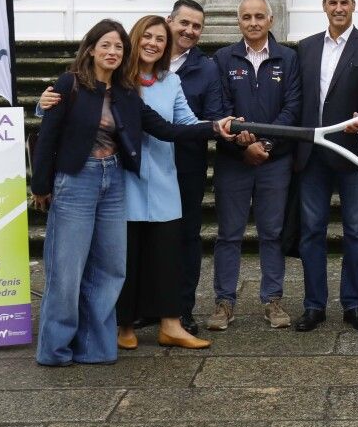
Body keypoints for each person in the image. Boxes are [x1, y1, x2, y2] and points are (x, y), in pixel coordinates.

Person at [29, 19, 219, 366]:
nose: (113, 52)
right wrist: (40, 185)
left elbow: (166, 128)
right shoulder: (70, 84)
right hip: (76, 180)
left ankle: (96, 348)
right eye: (106, 45)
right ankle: (55, 350)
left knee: (111, 268)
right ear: (91, 49)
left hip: (114, 179)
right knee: (67, 270)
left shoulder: (125, 92)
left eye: (118, 47)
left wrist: (218, 128)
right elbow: (49, 136)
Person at [293, 0, 358, 333]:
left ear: (353, 5)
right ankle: (314, 305)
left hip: (352, 155)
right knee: (312, 231)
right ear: (324, 6)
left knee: (357, 232)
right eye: (333, 2)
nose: (339, 8)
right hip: (312, 156)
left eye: (344, 2)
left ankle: (353, 304)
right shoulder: (305, 47)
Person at [208, 0, 301, 331]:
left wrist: (267, 144)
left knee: (272, 233)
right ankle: (224, 302)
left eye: (259, 16)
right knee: (229, 234)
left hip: (275, 161)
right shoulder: (221, 59)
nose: (253, 22)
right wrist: (240, 145)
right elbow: (218, 108)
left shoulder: (289, 58)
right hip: (234, 161)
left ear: (271, 21)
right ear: (239, 22)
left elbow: (293, 107)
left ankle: (272, 300)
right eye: (246, 17)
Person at [165, 0, 224, 335]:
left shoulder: (207, 67)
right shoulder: (144, 57)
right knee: (147, 237)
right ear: (169, 21)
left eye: (196, 26)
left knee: (187, 236)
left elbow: (213, 113)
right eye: (184, 23)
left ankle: (182, 310)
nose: (189, 31)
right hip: (145, 164)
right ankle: (148, 307)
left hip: (187, 163)